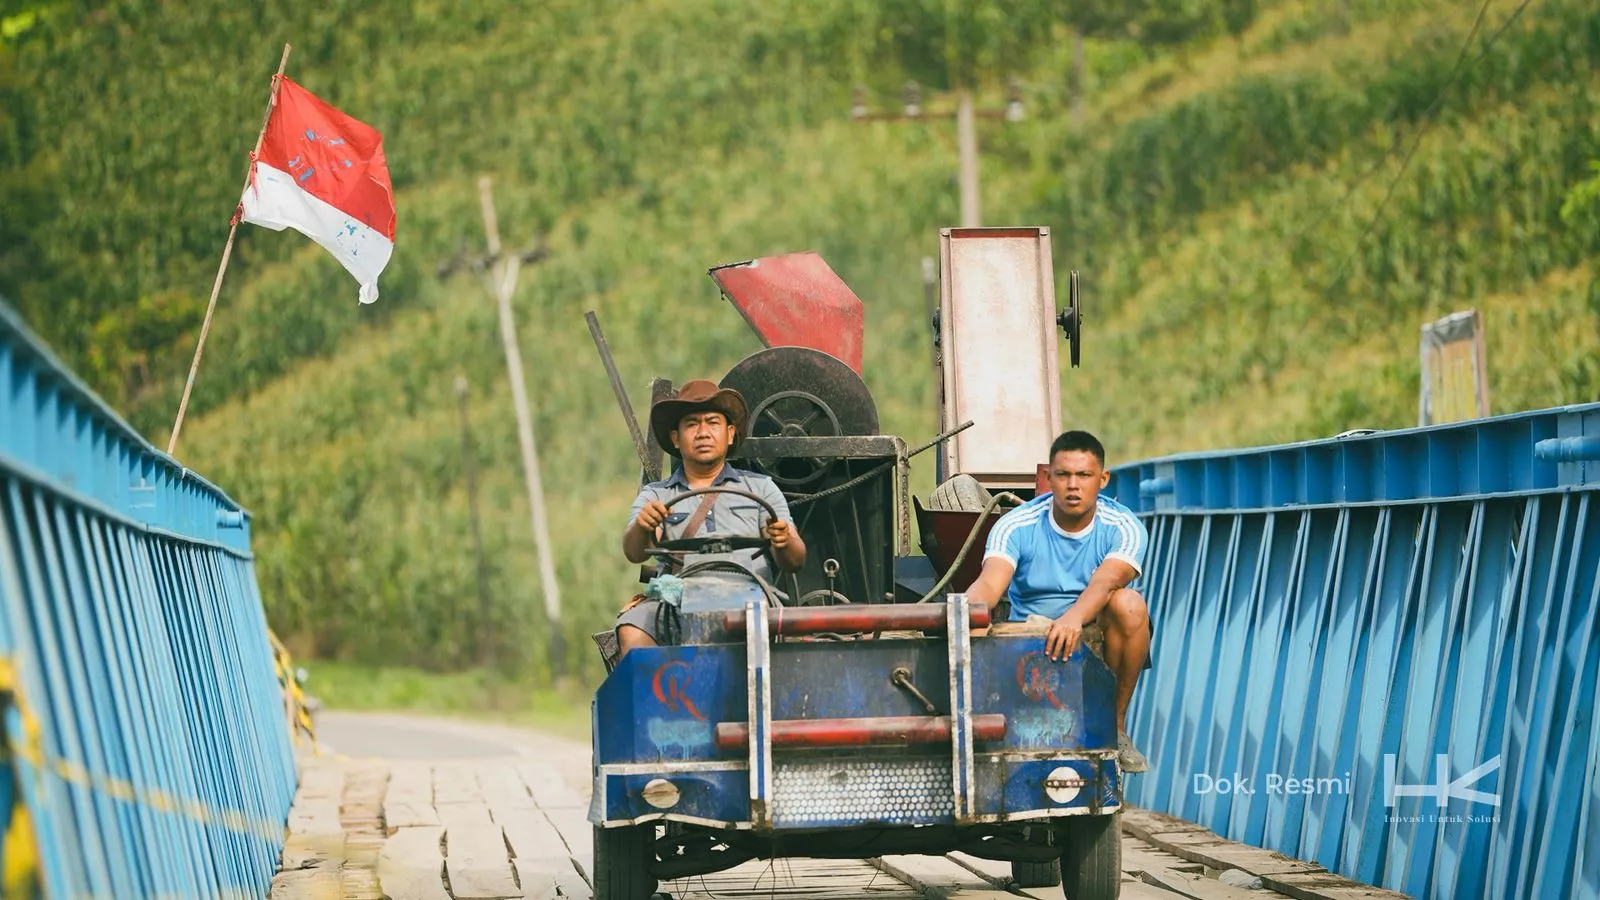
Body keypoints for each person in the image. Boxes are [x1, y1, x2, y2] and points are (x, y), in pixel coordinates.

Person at [963, 429, 1153, 773]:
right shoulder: (1016, 524)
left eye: (1084, 475)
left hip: (1092, 624)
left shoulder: (1123, 526)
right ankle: (976, 736)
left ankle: (1116, 727)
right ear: (1049, 478)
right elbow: (990, 582)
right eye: (1063, 475)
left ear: (1103, 479)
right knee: (970, 620)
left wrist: (1073, 618)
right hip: (1028, 631)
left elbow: (1107, 580)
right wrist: (965, 611)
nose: (1073, 485)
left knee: (1130, 605)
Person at [616, 379, 807, 658]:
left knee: (791, 638)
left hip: (750, 600)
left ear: (730, 434)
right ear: (675, 437)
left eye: (712, 422)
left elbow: (795, 560)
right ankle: (663, 699)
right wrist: (645, 526)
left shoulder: (761, 488)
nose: (703, 432)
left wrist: (784, 539)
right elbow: (634, 552)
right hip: (676, 603)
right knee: (632, 628)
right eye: (692, 424)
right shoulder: (656, 495)